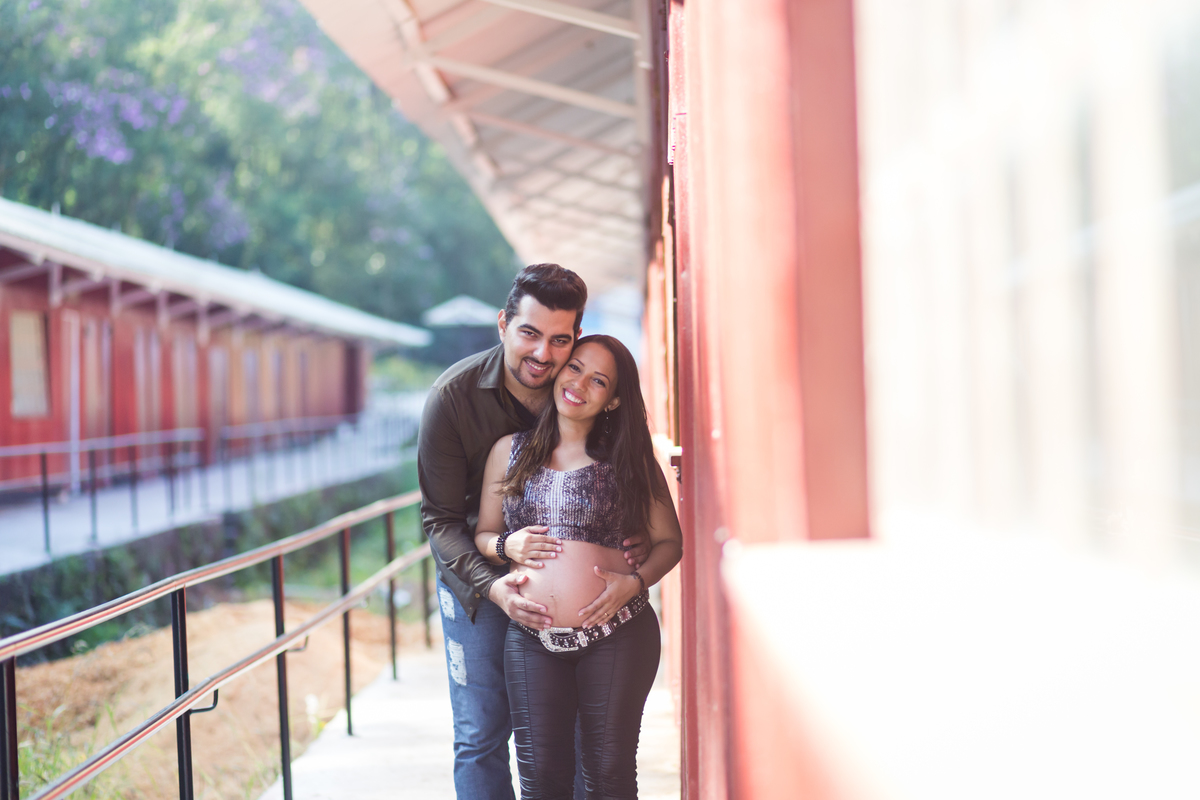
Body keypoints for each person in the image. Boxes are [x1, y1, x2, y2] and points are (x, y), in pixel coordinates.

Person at [418, 265, 647, 800]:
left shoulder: (580, 388)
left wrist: (633, 540)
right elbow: (441, 522)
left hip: (573, 608)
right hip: (477, 584)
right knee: (481, 734)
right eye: (529, 333)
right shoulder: (452, 398)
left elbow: (619, 474)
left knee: (575, 741)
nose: (544, 354)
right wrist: (495, 582)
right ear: (503, 324)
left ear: (576, 337)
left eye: (560, 340)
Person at [473, 335, 683, 799]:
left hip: (618, 633)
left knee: (608, 776)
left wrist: (635, 583)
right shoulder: (508, 451)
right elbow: (484, 535)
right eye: (575, 368)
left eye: (599, 380)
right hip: (532, 639)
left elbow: (671, 543)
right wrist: (506, 543)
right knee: (540, 782)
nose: (580, 384)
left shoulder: (630, 461)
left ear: (613, 400)